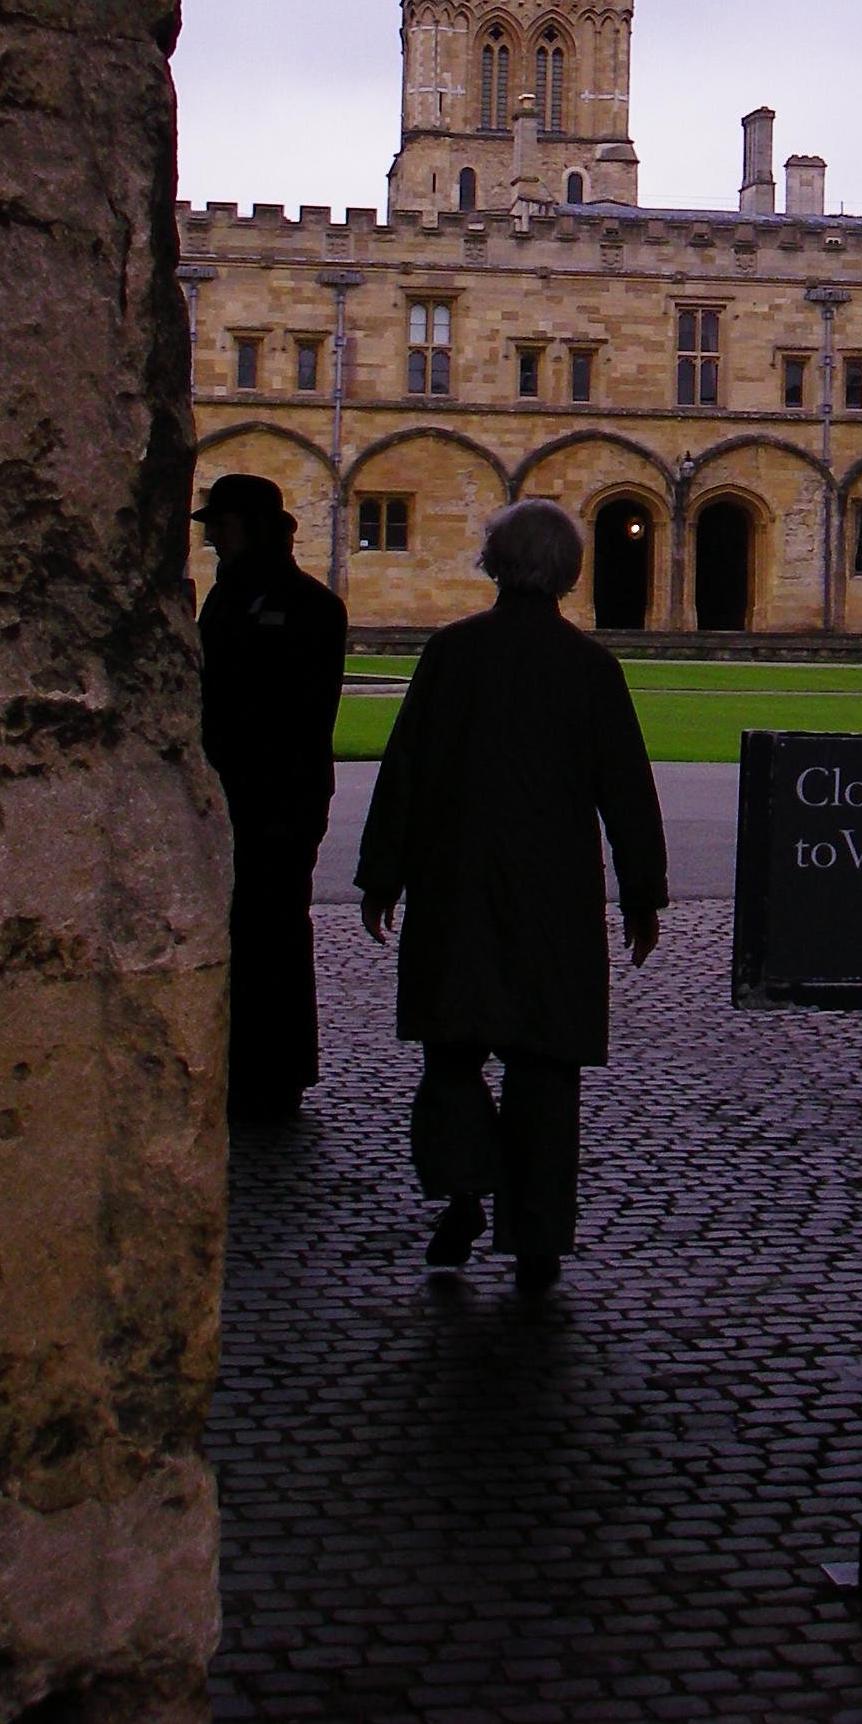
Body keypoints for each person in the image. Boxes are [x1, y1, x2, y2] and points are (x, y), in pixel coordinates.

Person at [357, 498, 667, 1296]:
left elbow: (405, 768)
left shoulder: (452, 652)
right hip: (553, 893)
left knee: (451, 1052)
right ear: (568, 572)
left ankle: (465, 1189)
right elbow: (626, 790)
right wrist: (642, 893)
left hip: (456, 879)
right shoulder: (590, 667)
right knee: (546, 1068)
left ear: (494, 564)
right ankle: (536, 1238)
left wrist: (383, 872)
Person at [195, 473, 349, 1120]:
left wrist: (288, 810)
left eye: (222, 525)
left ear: (255, 528)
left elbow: (302, 717)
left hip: (278, 803)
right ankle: (238, 1066)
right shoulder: (224, 597)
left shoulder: (308, 606)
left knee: (276, 933)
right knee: (239, 933)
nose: (211, 538)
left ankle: (280, 1072)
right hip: (226, 798)